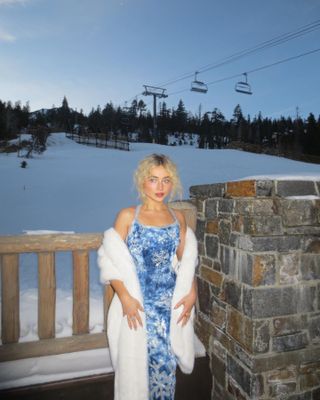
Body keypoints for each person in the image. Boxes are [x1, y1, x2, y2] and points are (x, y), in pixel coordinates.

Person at [97, 153, 198, 400]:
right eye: (154, 179)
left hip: (169, 308)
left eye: (166, 180)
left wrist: (192, 290)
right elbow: (110, 260)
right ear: (142, 181)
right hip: (137, 306)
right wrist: (125, 298)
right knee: (135, 371)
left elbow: (187, 262)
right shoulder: (128, 216)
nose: (160, 187)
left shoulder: (178, 218)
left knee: (165, 367)